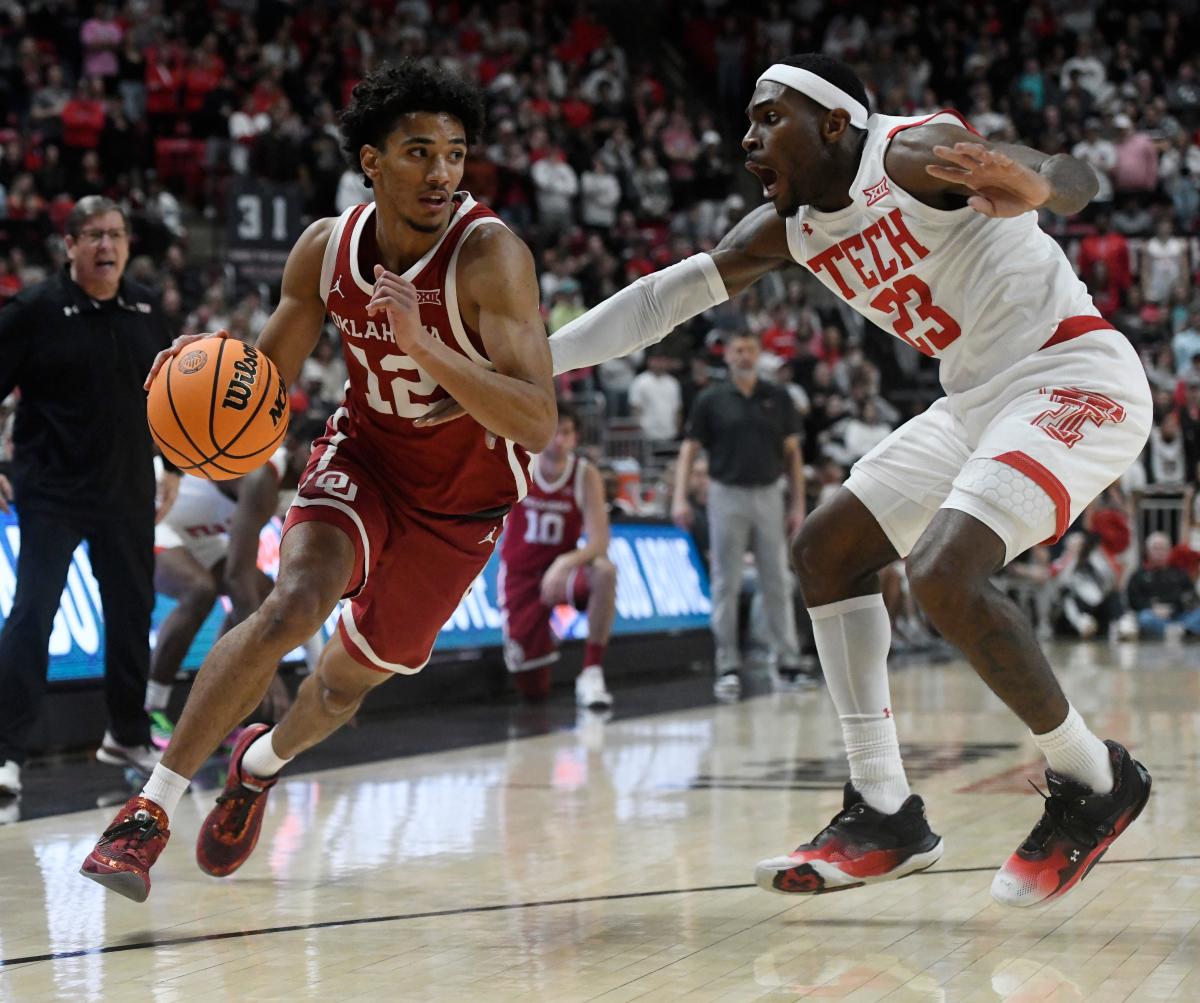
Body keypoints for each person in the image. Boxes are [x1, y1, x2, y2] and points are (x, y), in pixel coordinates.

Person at [500, 52, 1153, 907]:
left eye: (769, 118)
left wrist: (1032, 182)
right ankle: (884, 808)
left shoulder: (911, 155)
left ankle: (1093, 775)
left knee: (943, 573)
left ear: (834, 123)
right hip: (973, 401)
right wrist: (536, 366)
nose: (747, 138)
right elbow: (660, 302)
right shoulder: (795, 227)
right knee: (827, 550)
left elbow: (1073, 181)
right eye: (746, 123)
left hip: (1071, 375)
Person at [80, 61, 555, 902]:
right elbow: (260, 385)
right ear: (371, 162)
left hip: (463, 506)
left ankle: (258, 765)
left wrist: (429, 344)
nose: (442, 171)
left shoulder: (492, 258)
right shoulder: (325, 249)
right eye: (418, 151)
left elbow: (536, 418)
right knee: (292, 602)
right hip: (364, 456)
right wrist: (195, 373)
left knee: (343, 683)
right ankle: (147, 812)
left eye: (455, 152)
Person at [0, 196, 179, 799]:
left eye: (117, 236)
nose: (107, 247)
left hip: (126, 489)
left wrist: (175, 466)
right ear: (70, 245)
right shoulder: (34, 310)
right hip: (51, 490)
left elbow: (175, 394)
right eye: (94, 236)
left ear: (129, 245)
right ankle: (7, 753)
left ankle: (126, 733)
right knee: (32, 616)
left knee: (132, 615)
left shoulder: (148, 308)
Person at [146, 419, 326, 745]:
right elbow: (236, 575)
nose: (321, 461)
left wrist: (321, 677)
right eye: (315, 451)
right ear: (292, 447)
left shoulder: (300, 488)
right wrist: (262, 666)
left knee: (266, 591)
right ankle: (151, 709)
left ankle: (212, 706)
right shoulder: (262, 477)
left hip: (202, 533)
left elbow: (295, 588)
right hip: (158, 515)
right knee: (202, 589)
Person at [672, 331, 809, 700]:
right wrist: (679, 498)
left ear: (759, 354)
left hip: (769, 492)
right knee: (725, 582)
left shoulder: (777, 397)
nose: (743, 355)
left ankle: (788, 660)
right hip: (725, 494)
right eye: (737, 349)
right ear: (727, 356)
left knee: (777, 580)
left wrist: (798, 505)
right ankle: (727, 664)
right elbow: (689, 449)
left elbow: (793, 454)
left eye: (749, 349)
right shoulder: (711, 399)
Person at [498, 402, 617, 710]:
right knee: (532, 687)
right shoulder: (522, 461)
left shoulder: (585, 474)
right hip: (520, 575)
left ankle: (592, 671)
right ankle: (546, 635)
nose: (559, 440)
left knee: (604, 571)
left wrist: (564, 563)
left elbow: (600, 542)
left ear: (575, 438)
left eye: (566, 433)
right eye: (554, 432)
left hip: (561, 575)